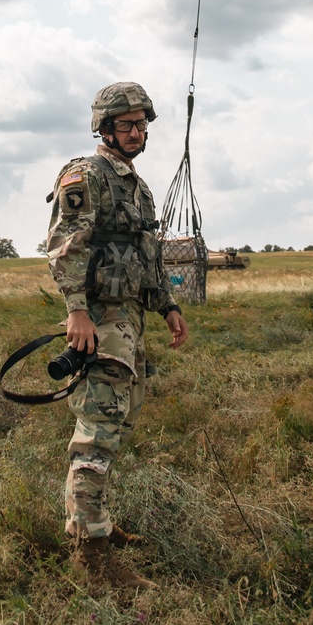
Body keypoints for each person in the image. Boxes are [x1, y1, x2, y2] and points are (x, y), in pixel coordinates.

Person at [46, 82, 189, 591]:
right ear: (104, 127)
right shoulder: (87, 175)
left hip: (131, 320)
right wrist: (77, 313)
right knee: (96, 434)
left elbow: (145, 255)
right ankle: (91, 556)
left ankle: (97, 522)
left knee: (118, 427)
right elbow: (65, 247)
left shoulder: (137, 185)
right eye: (127, 124)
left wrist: (167, 304)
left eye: (142, 124)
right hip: (100, 323)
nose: (137, 132)